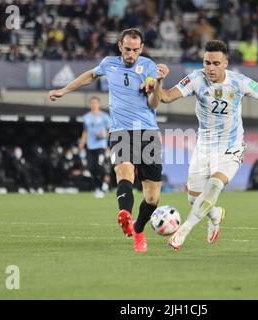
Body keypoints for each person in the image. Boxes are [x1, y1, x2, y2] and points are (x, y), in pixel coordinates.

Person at [155, 40, 258, 250]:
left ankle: (182, 232)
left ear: (225, 63)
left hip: (231, 147)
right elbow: (165, 97)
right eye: (206, 62)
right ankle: (216, 215)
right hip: (204, 147)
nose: (210, 68)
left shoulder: (239, 82)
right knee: (194, 200)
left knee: (213, 188)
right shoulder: (195, 79)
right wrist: (159, 82)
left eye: (216, 63)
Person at [49, 28, 165, 252]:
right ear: (120, 46)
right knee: (124, 173)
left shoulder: (149, 67)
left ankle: (139, 230)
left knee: (152, 198)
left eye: (135, 50)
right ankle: (125, 215)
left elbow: (154, 102)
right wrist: (64, 90)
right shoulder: (109, 63)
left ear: (141, 49)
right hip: (120, 131)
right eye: (127, 49)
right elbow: (90, 75)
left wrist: (156, 84)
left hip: (148, 133)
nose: (131, 54)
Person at [79, 96, 111, 198]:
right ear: (90, 104)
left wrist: (104, 135)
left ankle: (102, 187)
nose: (94, 105)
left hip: (100, 146)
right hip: (90, 146)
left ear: (98, 104)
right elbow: (85, 131)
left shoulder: (104, 117)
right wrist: (82, 143)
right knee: (91, 168)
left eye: (95, 103)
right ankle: (96, 187)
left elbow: (111, 130)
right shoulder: (86, 117)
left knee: (100, 166)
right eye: (92, 103)